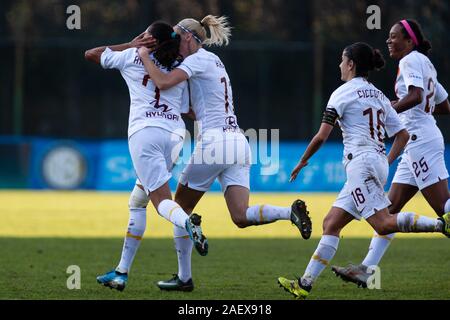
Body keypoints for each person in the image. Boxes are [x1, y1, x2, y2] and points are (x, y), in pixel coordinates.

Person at [138, 15, 312, 292]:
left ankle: (184, 278)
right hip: (239, 142)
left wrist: (144, 55)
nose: (172, 42)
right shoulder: (213, 61)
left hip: (215, 142)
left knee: (180, 209)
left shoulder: (195, 60)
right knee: (240, 216)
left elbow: (162, 82)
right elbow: (193, 108)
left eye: (174, 37)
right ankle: (287, 212)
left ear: (187, 36)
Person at [277, 42, 450, 299]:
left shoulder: (341, 93)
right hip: (376, 163)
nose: (339, 65)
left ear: (350, 64)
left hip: (360, 164)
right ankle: (304, 285)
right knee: (331, 223)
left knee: (384, 223)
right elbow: (402, 135)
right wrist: (387, 161)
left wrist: (303, 161)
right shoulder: (379, 95)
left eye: (341, 60)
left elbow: (322, 136)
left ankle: (440, 225)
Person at [84, 21, 208, 292]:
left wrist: (132, 44)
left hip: (144, 134)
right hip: (175, 136)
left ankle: (188, 222)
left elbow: (91, 53)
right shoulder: (180, 65)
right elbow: (189, 109)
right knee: (137, 200)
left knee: (161, 201)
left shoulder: (131, 55)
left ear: (148, 38)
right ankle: (121, 272)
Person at [332, 19, 450, 288]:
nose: (388, 41)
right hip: (417, 141)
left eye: (394, 37)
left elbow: (417, 96)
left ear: (409, 41)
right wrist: (418, 111)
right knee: (390, 212)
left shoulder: (410, 61)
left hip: (419, 140)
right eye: (387, 37)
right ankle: (366, 270)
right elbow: (443, 105)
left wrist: (387, 109)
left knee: (445, 211)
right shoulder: (425, 63)